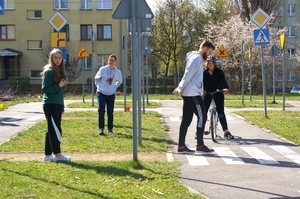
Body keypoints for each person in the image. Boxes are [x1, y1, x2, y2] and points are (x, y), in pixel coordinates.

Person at [173, 40, 215, 153]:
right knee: (202, 117)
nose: (209, 55)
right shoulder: (196, 59)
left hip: (190, 93)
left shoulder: (196, 59)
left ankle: (181, 146)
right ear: (205, 49)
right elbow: (187, 74)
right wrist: (179, 88)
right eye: (209, 51)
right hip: (192, 94)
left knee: (186, 120)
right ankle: (200, 145)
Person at [41, 48, 71, 162]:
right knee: (55, 130)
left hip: (57, 104)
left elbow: (60, 92)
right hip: (50, 104)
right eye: (55, 58)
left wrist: (62, 106)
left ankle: (48, 155)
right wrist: (58, 85)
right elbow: (45, 89)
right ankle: (58, 155)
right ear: (51, 59)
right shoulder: (49, 71)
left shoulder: (60, 71)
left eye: (59, 57)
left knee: (51, 129)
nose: (57, 60)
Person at [202, 55, 234, 139]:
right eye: (209, 63)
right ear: (207, 64)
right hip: (207, 93)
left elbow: (222, 81)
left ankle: (226, 131)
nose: (210, 64)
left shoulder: (219, 72)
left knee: (221, 112)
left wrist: (225, 88)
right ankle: (199, 131)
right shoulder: (204, 73)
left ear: (215, 64)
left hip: (218, 92)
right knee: (203, 112)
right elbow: (201, 83)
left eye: (212, 63)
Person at [95, 54, 123, 135]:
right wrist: (98, 87)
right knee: (101, 110)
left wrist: (114, 87)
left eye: (112, 60)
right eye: (109, 60)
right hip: (101, 93)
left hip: (111, 93)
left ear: (115, 62)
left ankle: (110, 129)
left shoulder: (118, 72)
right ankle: (101, 128)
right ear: (108, 61)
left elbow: (120, 81)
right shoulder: (102, 69)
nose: (111, 62)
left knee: (110, 111)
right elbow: (96, 78)